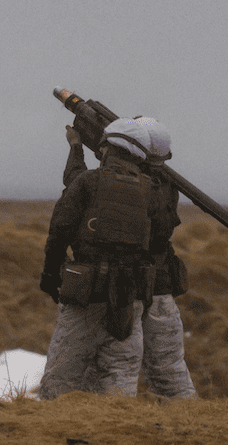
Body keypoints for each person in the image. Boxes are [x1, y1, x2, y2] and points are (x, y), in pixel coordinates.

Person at [59, 119, 196, 399]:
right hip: (156, 290)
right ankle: (185, 426)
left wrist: (76, 148)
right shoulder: (164, 186)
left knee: (108, 368)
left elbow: (77, 185)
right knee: (168, 372)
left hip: (124, 291)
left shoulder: (129, 186)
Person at [38, 117, 168, 400]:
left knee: (60, 382)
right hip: (129, 301)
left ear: (107, 148)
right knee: (120, 382)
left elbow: (59, 231)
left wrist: (49, 278)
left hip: (85, 298)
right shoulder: (152, 191)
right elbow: (159, 239)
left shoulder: (88, 182)